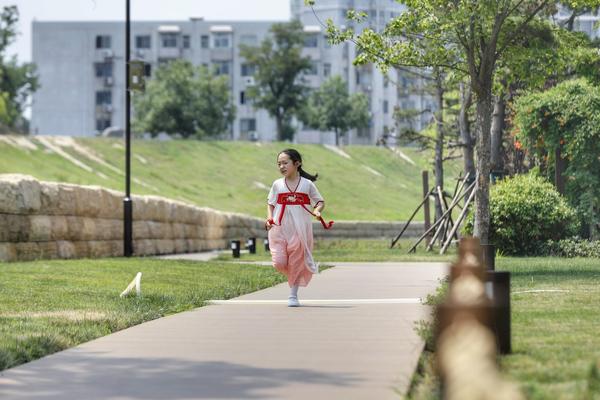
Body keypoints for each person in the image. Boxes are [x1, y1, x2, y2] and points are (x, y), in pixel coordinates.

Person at [266, 149, 326, 307]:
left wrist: (317, 211)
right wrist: (270, 218)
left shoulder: (307, 184)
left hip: (300, 231)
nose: (281, 166)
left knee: (296, 262)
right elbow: (271, 203)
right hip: (279, 229)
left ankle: (293, 295)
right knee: (279, 263)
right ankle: (296, 272)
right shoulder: (277, 184)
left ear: (297, 163)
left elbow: (319, 201)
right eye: (279, 164)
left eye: (285, 163)